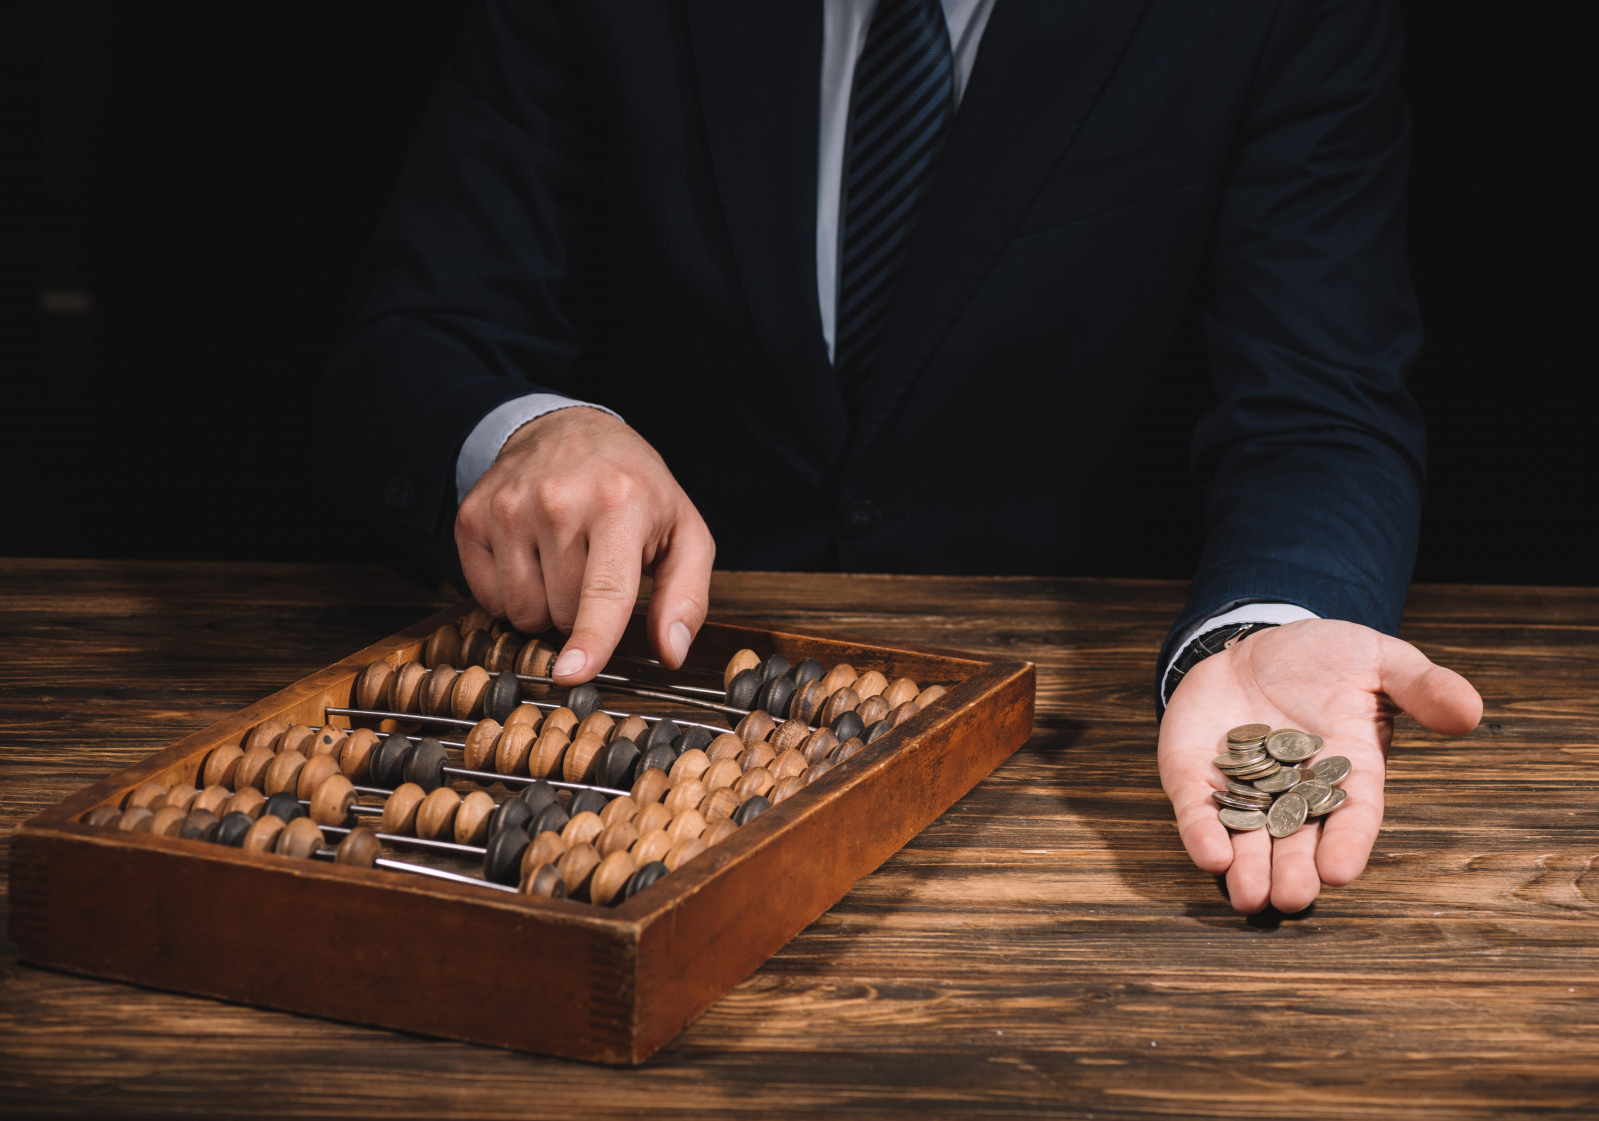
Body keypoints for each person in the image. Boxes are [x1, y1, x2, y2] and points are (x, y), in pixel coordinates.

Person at [321, 0, 1482, 915]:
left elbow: (1321, 405)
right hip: (627, 722)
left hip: (1054, 799)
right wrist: (523, 429)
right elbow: (414, 341)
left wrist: (1261, 625)